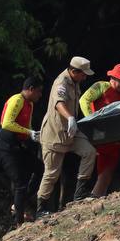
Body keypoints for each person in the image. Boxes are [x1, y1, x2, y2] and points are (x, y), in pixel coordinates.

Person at [35, 55, 98, 211]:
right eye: (83, 74)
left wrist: (72, 122)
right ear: (74, 71)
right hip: (55, 134)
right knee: (52, 173)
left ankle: (80, 194)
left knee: (89, 152)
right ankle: (40, 208)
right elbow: (59, 103)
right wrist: (70, 117)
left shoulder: (74, 82)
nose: (84, 77)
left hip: (71, 132)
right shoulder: (61, 83)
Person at [78, 63, 120, 196]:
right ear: (112, 78)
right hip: (101, 135)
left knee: (107, 172)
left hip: (115, 137)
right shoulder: (101, 86)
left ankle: (96, 196)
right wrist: (92, 120)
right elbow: (84, 100)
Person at [0, 75, 43, 225]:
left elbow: (27, 126)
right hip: (5, 147)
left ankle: (19, 204)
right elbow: (6, 123)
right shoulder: (17, 100)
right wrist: (29, 133)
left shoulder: (30, 104)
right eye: (39, 92)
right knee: (20, 182)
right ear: (31, 89)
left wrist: (34, 135)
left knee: (39, 168)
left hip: (18, 145)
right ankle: (19, 222)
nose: (40, 95)